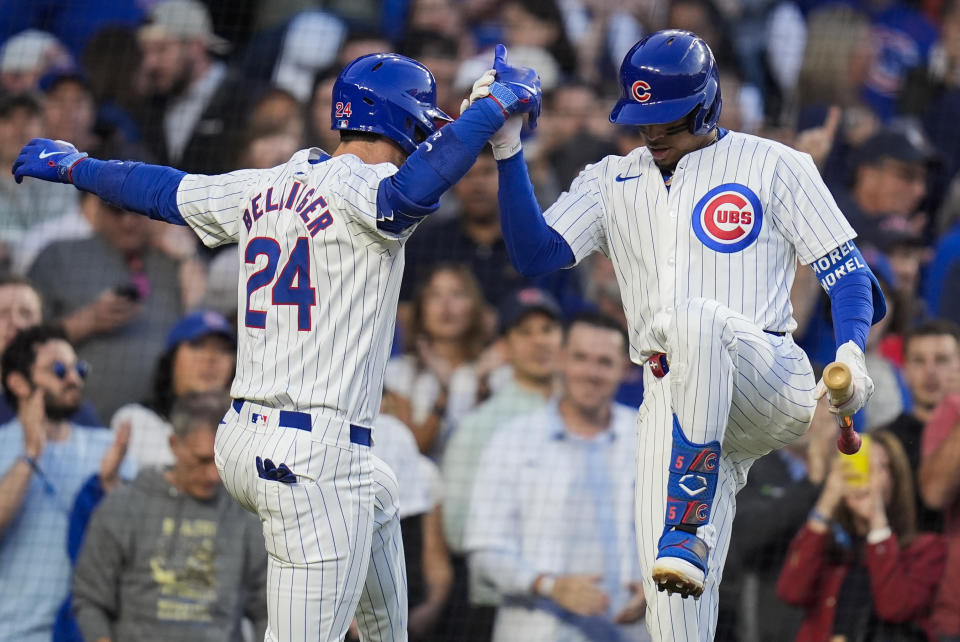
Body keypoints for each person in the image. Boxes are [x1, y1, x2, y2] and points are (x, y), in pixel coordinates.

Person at [12, 46, 541, 642]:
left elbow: (164, 190)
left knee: (379, 493)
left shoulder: (269, 182)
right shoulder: (371, 186)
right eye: (424, 124)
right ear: (404, 123)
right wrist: (494, 106)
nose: (429, 137)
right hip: (313, 458)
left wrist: (77, 166)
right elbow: (411, 191)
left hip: (245, 440)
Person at [468, 30, 887, 640]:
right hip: (671, 396)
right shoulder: (610, 178)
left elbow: (851, 277)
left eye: (667, 117)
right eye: (643, 118)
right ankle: (684, 534)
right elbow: (535, 255)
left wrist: (850, 349)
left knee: (693, 319)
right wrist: (508, 152)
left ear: (707, 103)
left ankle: (686, 525)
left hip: (763, 374)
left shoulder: (775, 163)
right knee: (672, 607)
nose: (653, 131)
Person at [464, 312, 648, 641]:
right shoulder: (513, 439)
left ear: (624, 369)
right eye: (580, 358)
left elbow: (684, 531)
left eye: (604, 362)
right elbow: (484, 549)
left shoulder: (649, 440)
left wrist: (657, 589)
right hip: (535, 630)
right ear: (560, 359)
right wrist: (548, 585)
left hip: (630, 632)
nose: (591, 373)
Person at [72, 392, 268, 641]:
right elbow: (90, 599)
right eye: (203, 460)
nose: (212, 475)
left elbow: (266, 608)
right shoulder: (125, 506)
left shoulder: (244, 513)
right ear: (174, 444)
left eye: (221, 463)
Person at [439, 286, 563, 641]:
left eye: (547, 330)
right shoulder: (481, 425)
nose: (539, 342)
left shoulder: (588, 416)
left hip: (578, 601)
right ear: (505, 347)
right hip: (501, 604)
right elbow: (458, 529)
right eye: (524, 332)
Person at [0, 324, 131, 642]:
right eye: (58, 370)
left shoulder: (109, 447)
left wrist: (111, 487)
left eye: (78, 368)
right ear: (18, 382)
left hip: (91, 634)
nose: (73, 379)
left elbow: (136, 541)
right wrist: (30, 453)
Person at [27, 192, 184, 420]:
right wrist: (86, 321)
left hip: (158, 425)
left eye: (138, 211)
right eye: (116, 210)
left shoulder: (171, 263)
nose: (128, 221)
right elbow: (21, 344)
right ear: (97, 211)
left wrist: (188, 258)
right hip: (72, 423)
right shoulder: (59, 255)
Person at [776, 431, 946, 642]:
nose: (867, 475)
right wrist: (827, 501)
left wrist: (877, 521)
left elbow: (895, 607)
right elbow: (791, 592)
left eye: (879, 467)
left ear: (896, 478)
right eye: (860, 463)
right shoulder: (828, 546)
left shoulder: (927, 549)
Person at [385, 263, 493, 459]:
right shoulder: (396, 373)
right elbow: (406, 448)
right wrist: (444, 392)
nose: (446, 305)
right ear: (421, 307)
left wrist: (483, 386)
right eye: (434, 295)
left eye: (458, 294)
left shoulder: (493, 372)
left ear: (475, 307)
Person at [110, 309, 235, 469]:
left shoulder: (245, 428)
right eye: (197, 345)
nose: (211, 358)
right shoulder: (136, 419)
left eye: (223, 349)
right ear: (171, 359)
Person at [0, 275, 101, 426]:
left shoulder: (70, 405)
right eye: (2, 313)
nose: (16, 323)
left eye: (26, 313)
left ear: (40, 321)